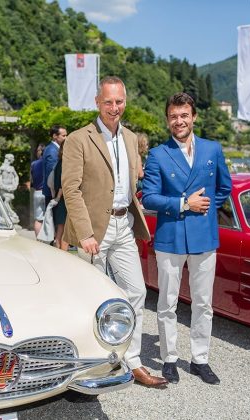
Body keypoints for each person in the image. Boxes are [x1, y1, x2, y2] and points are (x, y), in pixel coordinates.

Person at [62, 76, 167, 388]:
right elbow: (71, 188)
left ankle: (130, 360)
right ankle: (86, 362)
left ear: (125, 102)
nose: (114, 107)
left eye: (119, 101)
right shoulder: (79, 139)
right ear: (97, 102)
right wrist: (84, 232)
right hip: (92, 229)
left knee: (136, 291)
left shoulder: (132, 139)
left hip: (124, 225)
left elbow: (131, 185)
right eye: (107, 102)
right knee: (86, 296)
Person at [142, 92, 232, 386]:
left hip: (204, 237)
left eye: (184, 115)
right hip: (170, 237)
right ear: (167, 119)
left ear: (193, 117)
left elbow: (224, 187)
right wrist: (185, 204)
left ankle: (200, 359)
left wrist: (203, 211)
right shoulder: (157, 154)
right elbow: (150, 197)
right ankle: (169, 358)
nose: (178, 121)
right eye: (173, 116)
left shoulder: (212, 149)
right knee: (167, 302)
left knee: (203, 302)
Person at [42, 125, 67, 204]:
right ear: (55, 136)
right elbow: (52, 175)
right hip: (53, 194)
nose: (66, 138)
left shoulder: (53, 149)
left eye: (66, 135)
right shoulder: (52, 151)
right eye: (63, 135)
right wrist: (56, 196)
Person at [0, 153, 20, 224]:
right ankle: (12, 214)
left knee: (9, 201)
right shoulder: (2, 167)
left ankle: (6, 215)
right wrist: (0, 185)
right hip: (4, 187)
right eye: (13, 158)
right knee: (6, 201)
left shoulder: (12, 168)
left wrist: (15, 184)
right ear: (9, 159)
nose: (13, 160)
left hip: (11, 187)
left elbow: (16, 176)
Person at [52, 144, 69, 250]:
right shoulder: (65, 164)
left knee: (60, 228)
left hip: (60, 199)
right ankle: (63, 253)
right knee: (64, 229)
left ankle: (59, 251)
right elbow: (63, 183)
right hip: (63, 199)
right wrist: (58, 198)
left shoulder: (60, 162)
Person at [30, 144, 46, 237]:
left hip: (37, 192)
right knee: (49, 218)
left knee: (38, 219)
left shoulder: (33, 164)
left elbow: (32, 180)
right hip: (47, 192)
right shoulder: (49, 162)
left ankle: (39, 241)